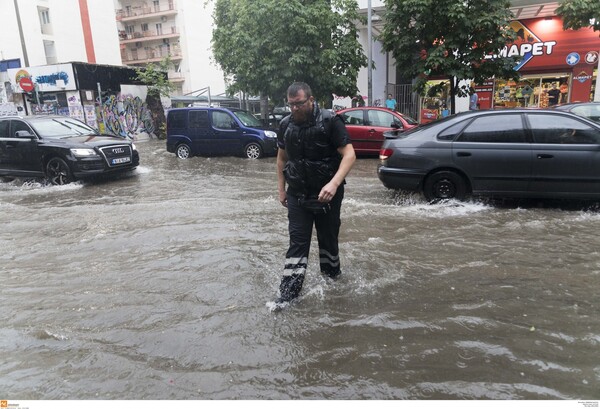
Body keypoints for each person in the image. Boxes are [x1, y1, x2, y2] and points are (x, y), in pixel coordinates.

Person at [275, 82, 356, 305]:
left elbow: (349, 155)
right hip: (298, 194)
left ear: (311, 100)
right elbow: (282, 158)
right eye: (290, 104)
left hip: (327, 195)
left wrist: (334, 184)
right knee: (298, 243)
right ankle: (288, 296)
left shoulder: (331, 121)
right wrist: (282, 189)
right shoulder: (285, 125)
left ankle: (333, 286)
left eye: (299, 104)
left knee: (328, 242)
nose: (294, 109)